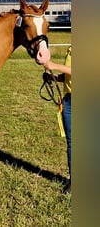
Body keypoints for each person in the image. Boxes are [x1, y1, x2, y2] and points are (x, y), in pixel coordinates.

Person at [43, 46, 71, 193]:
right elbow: (69, 75)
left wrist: (53, 65)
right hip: (69, 101)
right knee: (72, 144)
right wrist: (55, 77)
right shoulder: (71, 49)